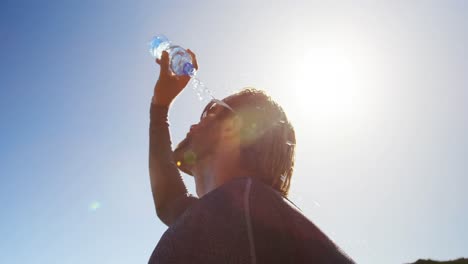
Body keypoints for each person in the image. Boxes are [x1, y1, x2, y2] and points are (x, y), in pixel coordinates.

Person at [147, 50, 355, 263]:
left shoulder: (241, 213)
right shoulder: (238, 212)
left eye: (210, 112)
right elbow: (169, 201)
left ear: (232, 126)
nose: (194, 124)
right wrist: (159, 108)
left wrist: (159, 109)